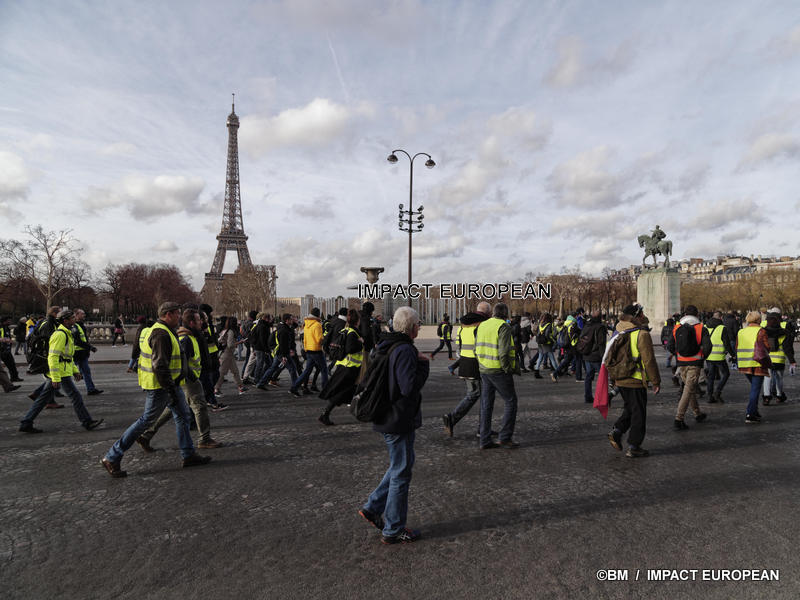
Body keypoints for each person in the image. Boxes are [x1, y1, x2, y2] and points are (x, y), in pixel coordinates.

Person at [101, 302, 211, 478]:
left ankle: (188, 454)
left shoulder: (165, 330)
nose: (179, 317)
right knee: (146, 421)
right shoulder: (161, 334)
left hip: (168, 384)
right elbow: (160, 366)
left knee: (183, 416)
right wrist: (171, 391)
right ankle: (112, 456)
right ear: (167, 314)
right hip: (161, 386)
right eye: (177, 314)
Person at [359, 306, 429, 544]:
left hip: (385, 415)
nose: (419, 327)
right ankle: (393, 528)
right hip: (398, 418)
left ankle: (372, 506)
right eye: (418, 324)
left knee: (400, 465)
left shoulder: (385, 344)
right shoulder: (405, 350)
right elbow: (408, 388)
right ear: (411, 328)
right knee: (401, 472)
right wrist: (423, 365)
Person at [136, 308, 223, 451]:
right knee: (199, 407)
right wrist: (192, 377)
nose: (202, 322)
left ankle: (147, 434)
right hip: (189, 379)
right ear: (191, 322)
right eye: (199, 320)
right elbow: (181, 362)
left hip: (187, 378)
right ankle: (204, 439)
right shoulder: (186, 339)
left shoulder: (190, 336)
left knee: (173, 409)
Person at [19, 309, 103, 433]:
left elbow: (68, 356)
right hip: (60, 373)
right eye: (72, 318)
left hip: (62, 371)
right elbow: (53, 357)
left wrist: (75, 371)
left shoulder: (65, 333)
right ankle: (87, 422)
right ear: (65, 320)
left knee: (43, 399)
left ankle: (26, 422)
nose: (75, 320)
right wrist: (56, 377)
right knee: (75, 396)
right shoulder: (60, 335)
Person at [606, 304, 660, 458]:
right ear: (636, 316)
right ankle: (634, 446)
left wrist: (613, 380)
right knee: (639, 414)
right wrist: (656, 381)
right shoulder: (641, 334)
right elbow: (649, 360)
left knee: (630, 409)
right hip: (635, 379)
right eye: (642, 313)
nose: (644, 315)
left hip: (620, 379)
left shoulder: (617, 331)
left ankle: (617, 431)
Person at [441, 301, 491, 437]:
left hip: (465, 364)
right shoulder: (483, 325)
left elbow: (459, 345)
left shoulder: (463, 325)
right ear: (487, 313)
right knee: (479, 396)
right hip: (477, 365)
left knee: (476, 394)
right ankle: (454, 418)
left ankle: (483, 427)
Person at [475, 302, 520, 450]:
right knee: (511, 401)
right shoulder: (503, 326)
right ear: (505, 313)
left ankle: (485, 438)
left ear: (493, 312)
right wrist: (508, 369)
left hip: (484, 369)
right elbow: (504, 352)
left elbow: (477, 347)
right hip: (498, 370)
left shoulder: (483, 325)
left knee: (486, 404)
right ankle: (505, 437)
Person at [668, 305, 711, 430]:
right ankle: (679, 418)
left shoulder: (677, 327)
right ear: (697, 315)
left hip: (681, 362)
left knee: (689, 387)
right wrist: (702, 356)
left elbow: (670, 345)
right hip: (695, 362)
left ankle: (697, 413)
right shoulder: (701, 327)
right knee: (688, 389)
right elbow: (708, 346)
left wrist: (678, 355)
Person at [317, 309, 363, 425]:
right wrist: (360, 343)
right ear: (357, 321)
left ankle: (326, 414)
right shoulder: (353, 333)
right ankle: (325, 414)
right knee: (342, 392)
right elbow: (350, 349)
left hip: (344, 365)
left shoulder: (345, 330)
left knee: (344, 392)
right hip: (350, 367)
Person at [736, 311, 771, 424]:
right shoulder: (761, 331)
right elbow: (766, 347)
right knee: (755, 389)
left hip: (744, 363)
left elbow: (737, 346)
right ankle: (750, 414)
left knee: (754, 388)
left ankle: (754, 411)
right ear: (758, 320)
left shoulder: (741, 331)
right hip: (757, 363)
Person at [256, 313, 299, 392]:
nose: (292, 320)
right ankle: (294, 387)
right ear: (287, 320)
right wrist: (284, 356)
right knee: (292, 369)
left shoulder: (284, 328)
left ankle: (261, 383)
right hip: (283, 353)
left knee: (273, 368)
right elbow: (283, 344)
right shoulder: (283, 330)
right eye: (291, 319)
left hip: (280, 352)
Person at [292, 307, 329, 396]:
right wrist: (326, 338)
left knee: (307, 371)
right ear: (318, 315)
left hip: (308, 350)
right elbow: (319, 339)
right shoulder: (317, 324)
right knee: (324, 370)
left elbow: (304, 338)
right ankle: (326, 389)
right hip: (316, 350)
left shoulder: (306, 324)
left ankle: (294, 387)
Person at [761, 309, 795, 404]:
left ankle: (766, 397)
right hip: (779, 359)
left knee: (767, 378)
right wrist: (792, 360)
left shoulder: (764, 331)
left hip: (767, 358)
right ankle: (779, 396)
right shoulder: (784, 333)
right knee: (779, 379)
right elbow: (787, 348)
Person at [704, 311, 735, 403]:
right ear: (721, 318)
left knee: (711, 377)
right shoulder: (722, 328)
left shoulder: (705, 326)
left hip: (708, 356)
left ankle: (710, 396)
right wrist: (732, 354)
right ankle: (717, 391)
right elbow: (726, 343)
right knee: (726, 374)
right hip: (719, 356)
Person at [71, 309, 102, 396]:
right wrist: (90, 347)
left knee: (86, 371)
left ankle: (91, 389)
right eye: (82, 314)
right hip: (76, 353)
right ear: (76, 315)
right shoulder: (75, 326)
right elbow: (77, 341)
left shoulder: (79, 325)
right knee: (66, 373)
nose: (84, 315)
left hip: (81, 353)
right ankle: (51, 389)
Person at [579, 310, 607, 404]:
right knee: (602, 378)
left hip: (587, 355)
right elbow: (601, 343)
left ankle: (588, 396)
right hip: (596, 356)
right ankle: (602, 398)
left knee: (588, 377)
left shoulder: (587, 325)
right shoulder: (600, 327)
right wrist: (604, 357)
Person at [214, 316, 245, 395]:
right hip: (227, 354)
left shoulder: (226, 330)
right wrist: (240, 342)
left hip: (228, 354)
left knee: (235, 371)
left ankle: (241, 387)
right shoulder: (231, 332)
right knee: (222, 372)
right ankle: (216, 389)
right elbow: (230, 344)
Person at [533, 313, 557, 378]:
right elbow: (547, 335)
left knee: (540, 357)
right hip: (546, 343)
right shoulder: (549, 325)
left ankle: (536, 371)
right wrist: (552, 341)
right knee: (552, 358)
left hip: (540, 342)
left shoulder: (540, 324)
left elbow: (536, 333)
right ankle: (558, 371)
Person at [0, 316, 22, 382]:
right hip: (2, 350)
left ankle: (14, 377)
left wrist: (9, 341)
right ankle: (12, 379)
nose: (10, 322)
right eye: (9, 320)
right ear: (5, 321)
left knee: (12, 365)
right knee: (10, 365)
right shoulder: (1, 328)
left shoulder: (7, 328)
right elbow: (2, 337)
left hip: (7, 349)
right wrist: (4, 340)